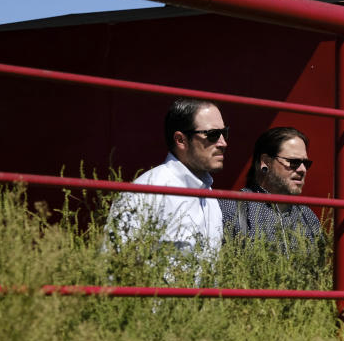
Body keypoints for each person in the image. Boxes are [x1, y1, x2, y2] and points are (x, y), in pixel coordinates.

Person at [107, 97, 228, 255]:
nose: (223, 143)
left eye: (224, 133)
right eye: (213, 134)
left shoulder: (210, 198)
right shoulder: (146, 192)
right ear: (181, 140)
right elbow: (114, 261)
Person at [221, 126, 323, 254]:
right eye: (294, 162)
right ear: (265, 162)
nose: (302, 169)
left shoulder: (308, 216)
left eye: (306, 163)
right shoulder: (231, 207)